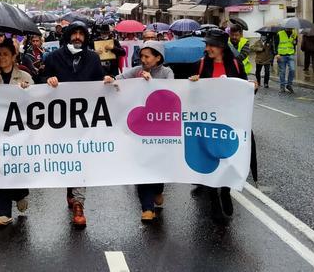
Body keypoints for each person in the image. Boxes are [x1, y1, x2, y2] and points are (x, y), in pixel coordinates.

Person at [188, 28, 256, 221]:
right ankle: (213, 201)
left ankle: (225, 191)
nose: (207, 48)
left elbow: (244, 91)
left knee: (227, 157)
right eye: (207, 45)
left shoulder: (234, 64)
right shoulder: (200, 65)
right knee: (210, 160)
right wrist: (193, 83)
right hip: (208, 121)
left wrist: (252, 87)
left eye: (211, 45)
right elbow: (190, 94)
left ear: (221, 48)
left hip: (230, 121)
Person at [44, 21, 105, 228]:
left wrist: (106, 81)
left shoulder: (93, 58)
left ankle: (79, 204)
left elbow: (100, 83)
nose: (77, 37)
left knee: (81, 159)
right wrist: (48, 79)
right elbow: (40, 79)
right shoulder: (54, 57)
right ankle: (71, 188)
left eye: (81, 34)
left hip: (85, 121)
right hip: (60, 121)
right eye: (74, 33)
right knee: (67, 157)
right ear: (68, 36)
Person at [103, 41, 172, 223]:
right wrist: (112, 80)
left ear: (158, 58)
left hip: (160, 128)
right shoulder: (136, 71)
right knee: (142, 166)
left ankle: (157, 190)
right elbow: (120, 79)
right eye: (141, 56)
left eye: (147, 56)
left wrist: (152, 83)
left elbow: (171, 93)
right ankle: (147, 208)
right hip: (140, 128)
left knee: (158, 165)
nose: (143, 60)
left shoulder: (167, 73)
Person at [0, 39, 33, 226]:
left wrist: (26, 91)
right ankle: (2, 212)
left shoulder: (25, 77)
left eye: (6, 54)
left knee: (16, 169)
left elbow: (35, 103)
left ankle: (20, 193)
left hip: (18, 133)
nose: (2, 58)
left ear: (14, 56)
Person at [274, 27, 298, 93]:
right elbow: (275, 44)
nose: (289, 28)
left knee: (292, 70)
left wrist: (294, 42)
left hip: (290, 54)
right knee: (282, 71)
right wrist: (276, 54)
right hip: (281, 55)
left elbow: (295, 43)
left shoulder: (294, 34)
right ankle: (282, 87)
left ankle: (289, 85)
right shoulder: (279, 34)